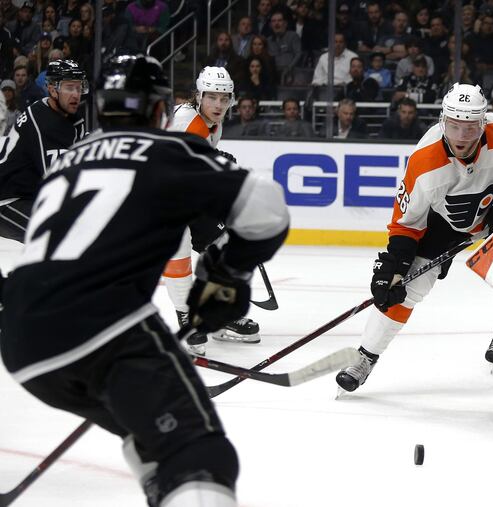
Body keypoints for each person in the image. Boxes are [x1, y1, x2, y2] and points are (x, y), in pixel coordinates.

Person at [0, 52, 290, 506]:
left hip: (20, 338)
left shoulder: (71, 159)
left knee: (148, 429)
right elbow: (268, 209)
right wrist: (228, 276)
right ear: (159, 109)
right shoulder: (168, 149)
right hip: (102, 327)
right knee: (201, 454)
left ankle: (162, 482)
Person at [335, 83, 493, 392]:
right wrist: (394, 267)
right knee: (408, 286)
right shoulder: (424, 162)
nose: (462, 135)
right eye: (454, 125)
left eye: (471, 127)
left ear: (484, 123)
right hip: (445, 223)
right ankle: (365, 357)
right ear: (442, 121)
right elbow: (406, 225)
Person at [167, 66, 262, 353]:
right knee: (178, 248)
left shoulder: (213, 124)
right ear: (199, 96)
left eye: (224, 98)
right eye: (212, 97)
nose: (218, 104)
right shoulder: (186, 120)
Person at [0, 60, 87, 243]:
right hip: (8, 201)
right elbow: (56, 179)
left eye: (79, 88)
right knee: (62, 236)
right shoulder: (40, 119)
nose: (76, 94)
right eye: (69, 87)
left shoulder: (75, 120)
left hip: (32, 198)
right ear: (52, 89)